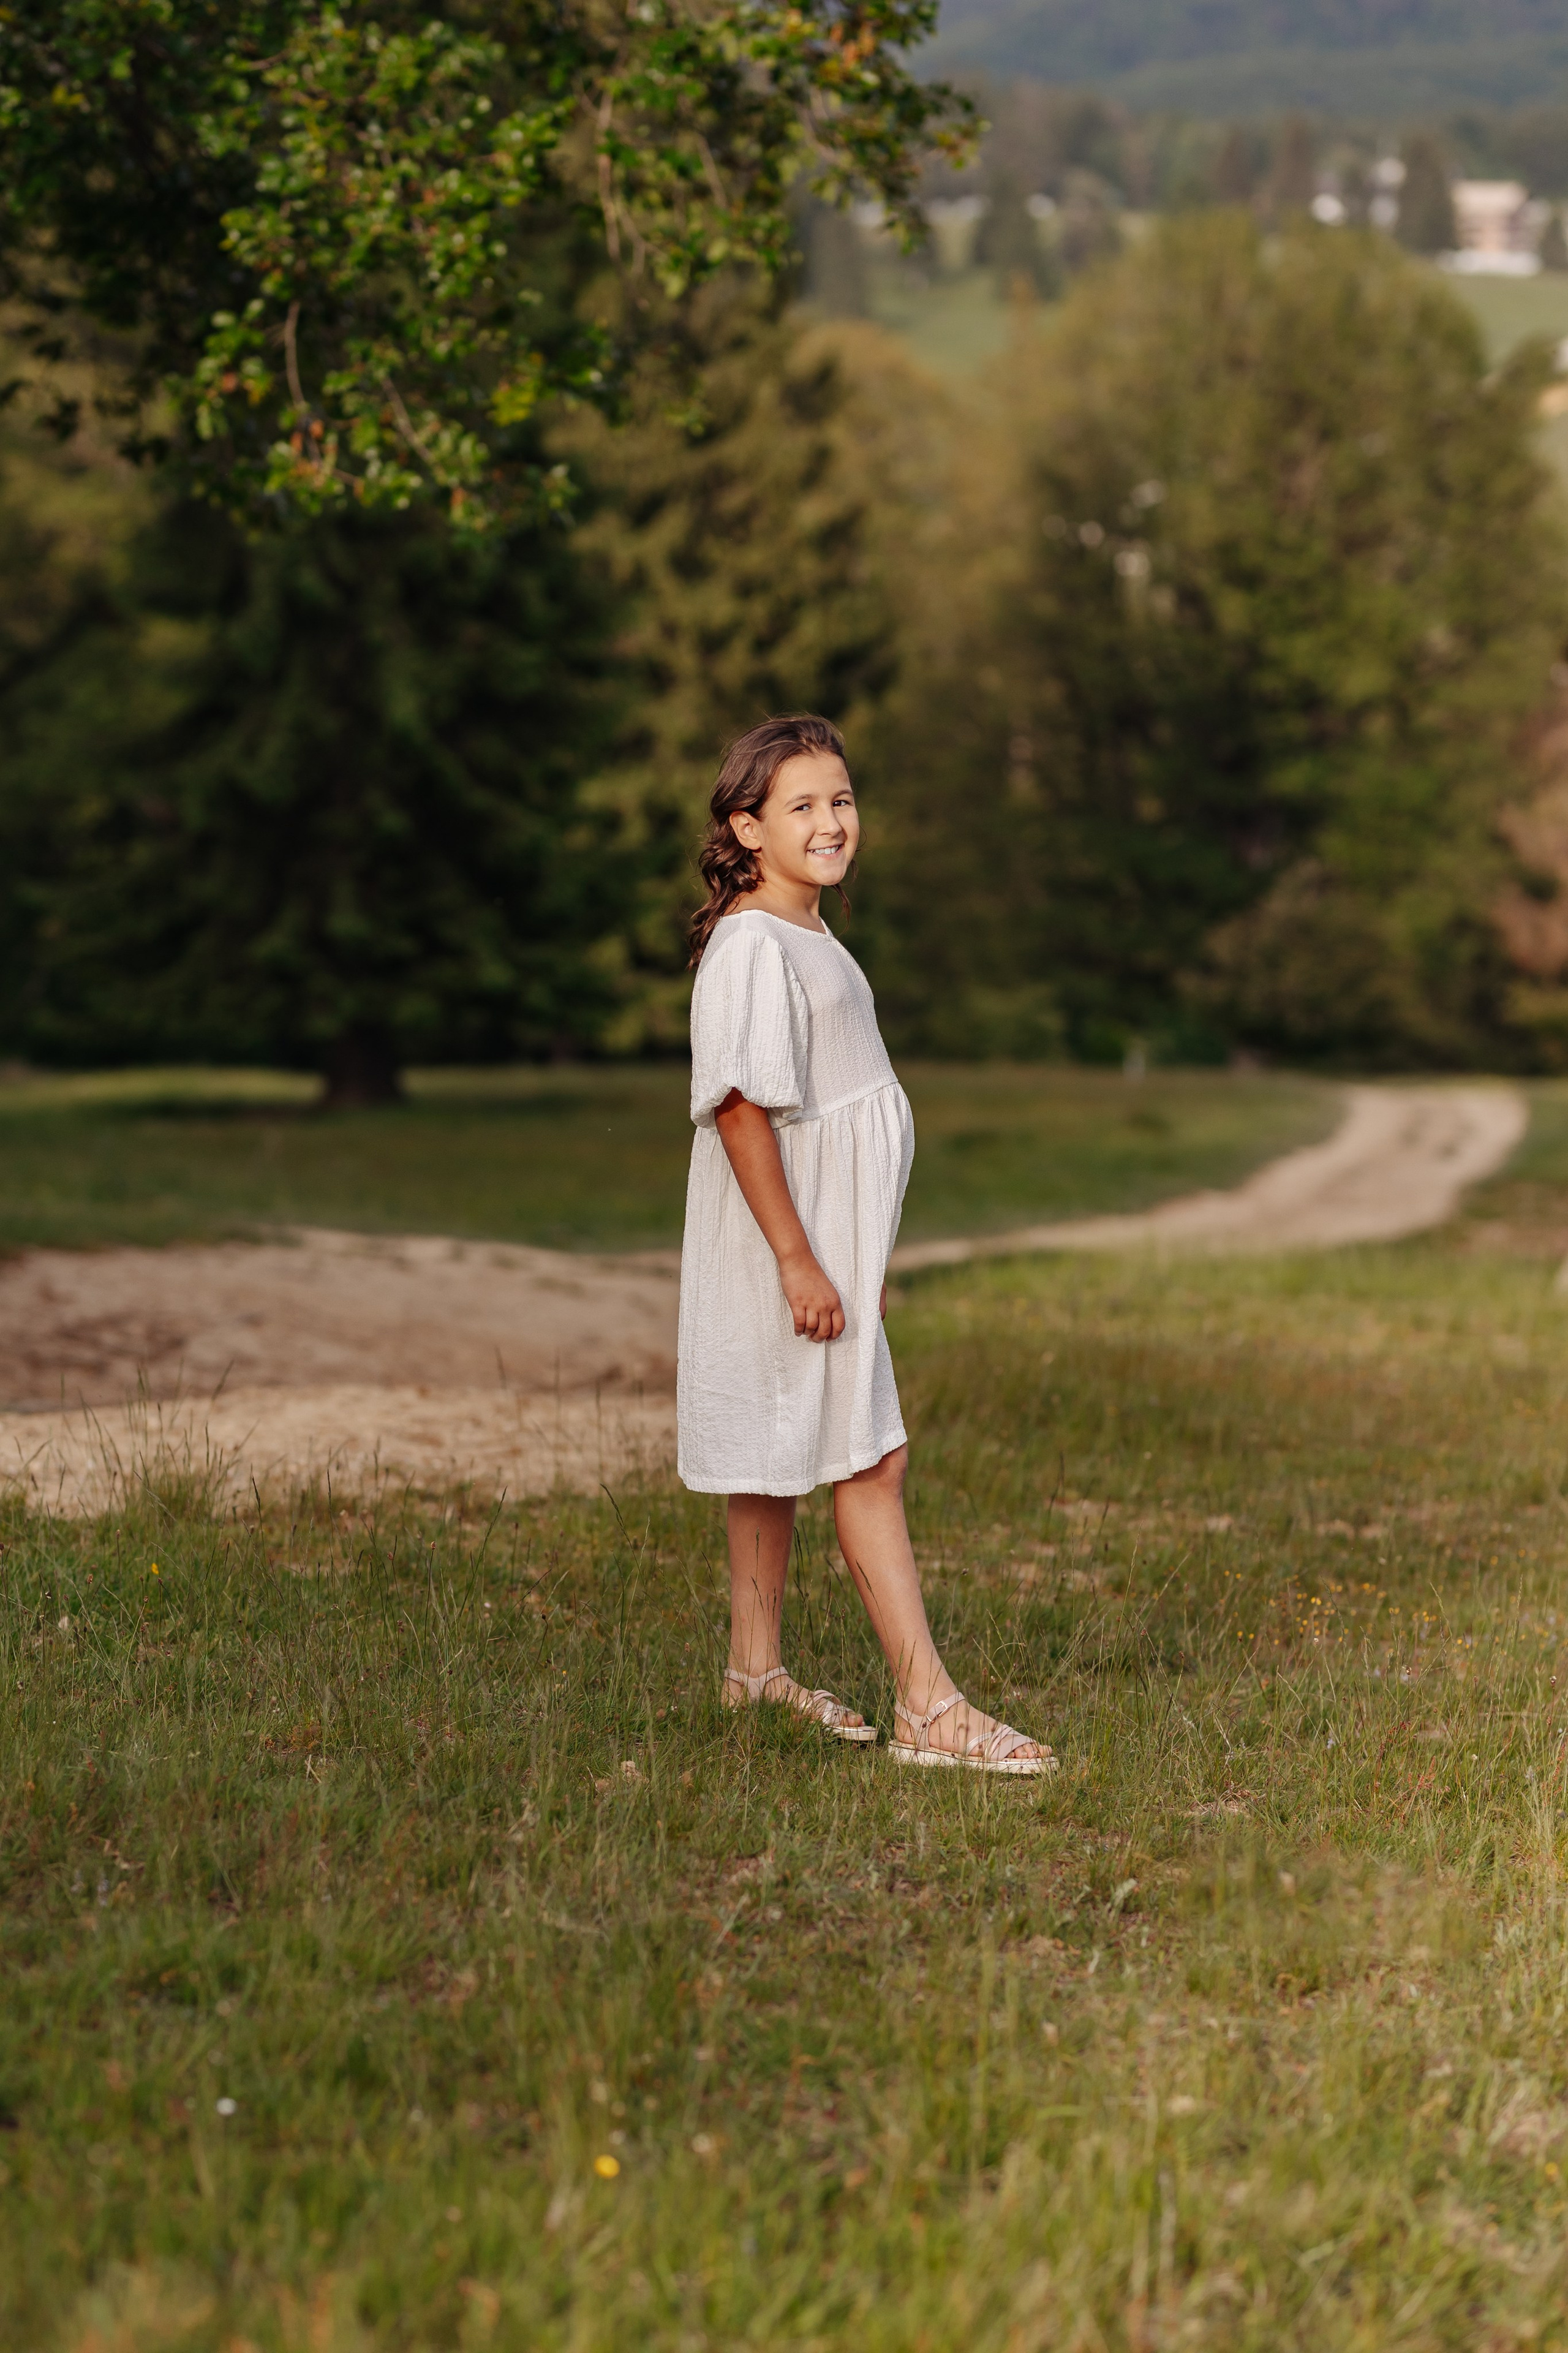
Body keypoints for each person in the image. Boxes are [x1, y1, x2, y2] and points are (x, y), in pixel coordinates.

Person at [677, 714, 1054, 1775]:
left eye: (840, 799)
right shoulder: (754, 943)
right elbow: (745, 1109)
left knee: (774, 1452)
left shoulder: (809, 932)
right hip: (783, 1242)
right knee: (870, 1456)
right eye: (800, 805)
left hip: (820, 1244)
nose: (830, 821)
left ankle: (754, 1675)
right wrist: (802, 1257)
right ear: (748, 826)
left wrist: (859, 1254)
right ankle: (929, 1706)